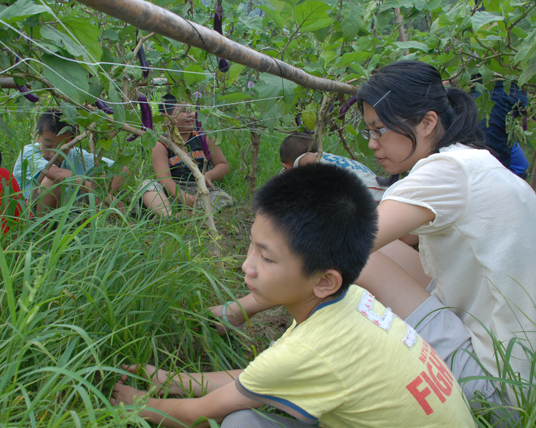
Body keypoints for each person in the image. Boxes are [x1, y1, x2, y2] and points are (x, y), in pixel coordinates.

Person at [213, 61, 536, 407]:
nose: (372, 144)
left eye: (379, 130)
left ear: (427, 123)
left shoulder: (447, 171)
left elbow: (341, 246)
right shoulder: (472, 161)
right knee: (379, 252)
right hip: (516, 368)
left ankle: (271, 370)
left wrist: (244, 305)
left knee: (357, 260)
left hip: (496, 388)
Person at [111, 163, 474, 428]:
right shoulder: (350, 304)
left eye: (266, 257)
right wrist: (169, 378)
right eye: (252, 247)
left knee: (240, 424)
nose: (246, 267)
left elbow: (197, 414)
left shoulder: (308, 349)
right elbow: (256, 379)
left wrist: (135, 404)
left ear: (325, 281)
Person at [138, 94, 235, 217]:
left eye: (191, 110)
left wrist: (209, 175)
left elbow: (223, 165)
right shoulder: (161, 143)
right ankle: (168, 215)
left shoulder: (205, 137)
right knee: (147, 186)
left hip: (201, 189)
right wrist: (181, 196)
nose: (190, 114)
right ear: (167, 117)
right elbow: (164, 178)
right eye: (184, 111)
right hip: (172, 190)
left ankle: (188, 214)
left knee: (222, 198)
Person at [13, 110, 128, 213]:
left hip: (65, 211)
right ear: (36, 136)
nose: (54, 153)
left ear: (73, 142)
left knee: (117, 171)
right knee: (50, 183)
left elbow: (119, 169)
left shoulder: (76, 155)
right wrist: (101, 193)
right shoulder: (29, 153)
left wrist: (105, 196)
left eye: (62, 148)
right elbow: (58, 174)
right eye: (48, 145)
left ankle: (94, 217)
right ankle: (43, 234)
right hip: (28, 212)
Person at [280, 131, 388, 201]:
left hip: (367, 195)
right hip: (384, 191)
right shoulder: (328, 158)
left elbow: (311, 159)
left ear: (286, 165)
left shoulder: (305, 160)